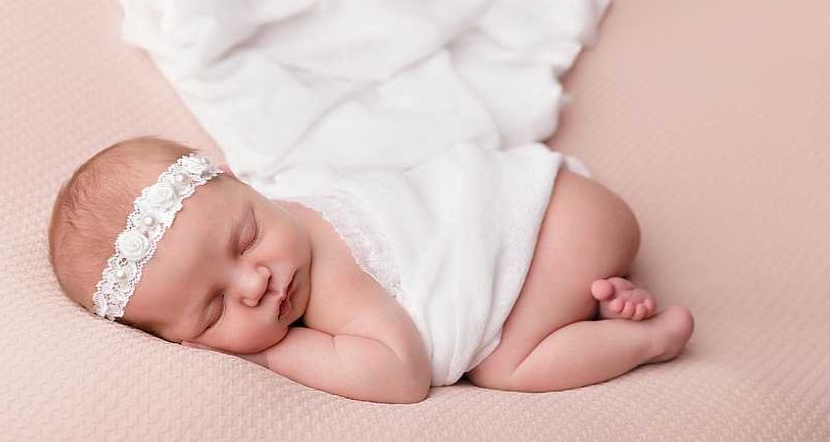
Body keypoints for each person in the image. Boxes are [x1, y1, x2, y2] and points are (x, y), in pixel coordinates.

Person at [48, 135, 693, 404]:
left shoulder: (331, 284)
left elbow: (403, 373)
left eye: (247, 237)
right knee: (514, 332)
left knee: (504, 365)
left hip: (562, 219)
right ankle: (595, 303)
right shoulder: (281, 212)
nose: (255, 283)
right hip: (551, 214)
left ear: (244, 184)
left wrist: (273, 354)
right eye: (214, 309)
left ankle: (650, 338)